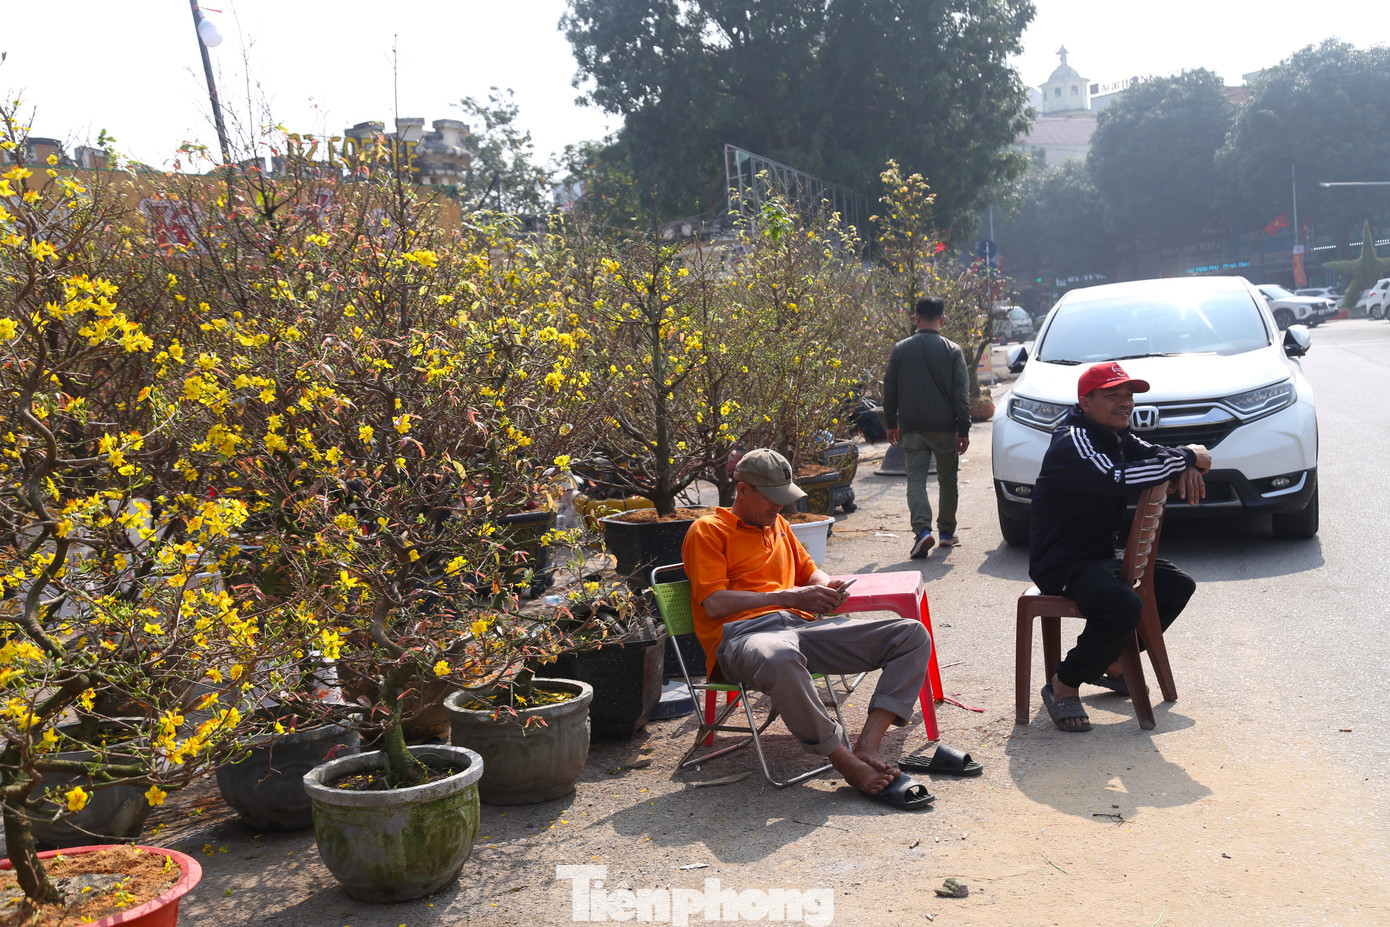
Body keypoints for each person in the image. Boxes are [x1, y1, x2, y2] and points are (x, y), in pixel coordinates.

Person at [681, 448, 935, 807]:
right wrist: (789, 597)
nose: (780, 507)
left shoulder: (778, 525)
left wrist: (826, 587)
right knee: (781, 655)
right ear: (742, 490)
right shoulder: (708, 530)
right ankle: (842, 758)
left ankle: (868, 745)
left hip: (799, 629)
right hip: (743, 638)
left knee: (911, 633)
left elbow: (810, 571)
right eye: (773, 498)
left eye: (784, 498)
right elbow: (715, 602)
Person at [1028, 362, 1211, 733]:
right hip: (1063, 560)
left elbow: (1157, 454)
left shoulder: (1116, 435)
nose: (1125, 403)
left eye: (1129, 396)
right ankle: (1065, 682)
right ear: (1086, 401)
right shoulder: (1073, 439)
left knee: (1177, 586)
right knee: (1122, 604)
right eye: (1113, 395)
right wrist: (1188, 459)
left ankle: (1110, 665)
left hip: (1097, 554)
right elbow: (1117, 478)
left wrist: (1186, 459)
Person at [882, 297, 971, 559]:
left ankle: (922, 531)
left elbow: (890, 389)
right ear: (942, 320)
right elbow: (960, 394)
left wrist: (890, 423)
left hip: (912, 428)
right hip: (945, 428)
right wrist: (963, 429)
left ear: (916, 318)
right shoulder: (952, 350)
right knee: (947, 479)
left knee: (916, 480)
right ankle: (946, 534)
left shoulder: (900, 349)